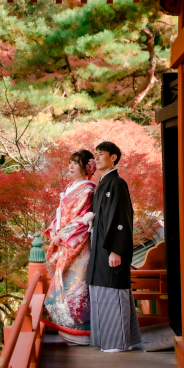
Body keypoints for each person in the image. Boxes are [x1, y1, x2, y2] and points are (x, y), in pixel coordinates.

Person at [86, 141, 142, 352]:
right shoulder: (103, 183)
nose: (97, 158)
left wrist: (116, 249)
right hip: (100, 246)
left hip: (110, 248)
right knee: (102, 289)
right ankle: (109, 340)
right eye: (96, 154)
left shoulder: (117, 183)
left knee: (113, 290)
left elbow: (121, 218)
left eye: (102, 154)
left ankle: (118, 342)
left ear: (114, 157)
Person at [43, 150, 96, 345]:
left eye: (76, 163)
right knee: (64, 285)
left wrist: (62, 235)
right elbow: (60, 214)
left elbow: (83, 220)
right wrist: (55, 232)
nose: (71, 166)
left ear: (86, 167)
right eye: (70, 163)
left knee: (77, 286)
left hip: (77, 245)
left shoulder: (88, 189)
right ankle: (66, 328)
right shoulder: (71, 186)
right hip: (64, 242)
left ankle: (80, 332)